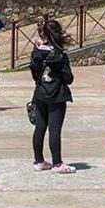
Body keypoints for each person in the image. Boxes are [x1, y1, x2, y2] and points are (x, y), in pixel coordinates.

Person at [30, 20, 76, 174]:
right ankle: (57, 163)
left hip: (41, 93)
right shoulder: (59, 54)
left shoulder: (37, 52)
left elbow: (34, 75)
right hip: (57, 95)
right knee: (55, 129)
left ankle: (39, 161)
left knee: (40, 127)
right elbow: (68, 78)